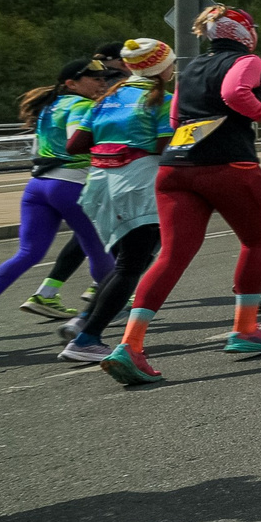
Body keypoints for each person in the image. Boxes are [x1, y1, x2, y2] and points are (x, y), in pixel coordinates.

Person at [102, 7, 261, 384]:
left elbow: (174, 120)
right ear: (244, 33)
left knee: (171, 255)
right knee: (256, 242)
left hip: (176, 168)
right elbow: (234, 92)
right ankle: (246, 329)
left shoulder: (188, 69)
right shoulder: (247, 59)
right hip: (229, 164)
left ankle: (130, 345)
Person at [0, 54, 122, 344]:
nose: (101, 83)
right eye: (94, 78)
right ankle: (94, 316)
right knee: (99, 252)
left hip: (38, 187)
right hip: (70, 187)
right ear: (71, 83)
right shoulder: (82, 105)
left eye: (104, 79)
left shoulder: (51, 105)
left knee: (28, 253)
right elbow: (76, 143)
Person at [63, 39, 178, 363]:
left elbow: (75, 145)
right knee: (132, 265)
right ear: (160, 68)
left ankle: (84, 321)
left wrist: (113, 148)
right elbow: (162, 148)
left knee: (128, 263)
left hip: (100, 184)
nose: (173, 68)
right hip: (138, 185)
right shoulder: (163, 100)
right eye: (171, 62)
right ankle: (86, 338)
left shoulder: (106, 98)